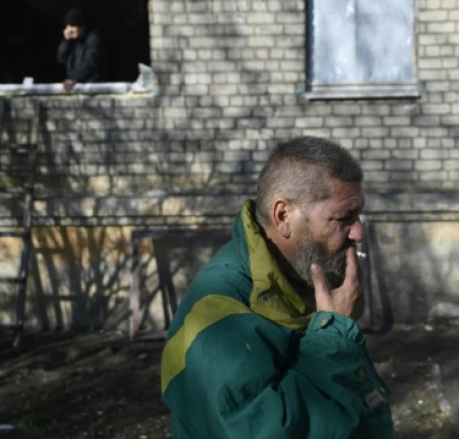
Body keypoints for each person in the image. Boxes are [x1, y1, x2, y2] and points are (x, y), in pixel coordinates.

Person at [160, 136, 394, 439]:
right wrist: (336, 332)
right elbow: (277, 430)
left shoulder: (303, 273)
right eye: (343, 217)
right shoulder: (216, 313)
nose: (359, 232)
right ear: (284, 216)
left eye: (358, 214)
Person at [56, 7, 107, 91]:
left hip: (92, 88)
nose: (70, 30)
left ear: (82, 27)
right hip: (75, 86)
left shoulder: (94, 38)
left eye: (73, 26)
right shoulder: (71, 41)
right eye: (68, 26)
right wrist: (66, 41)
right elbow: (61, 59)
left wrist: (74, 79)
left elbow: (91, 64)